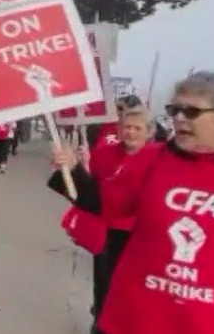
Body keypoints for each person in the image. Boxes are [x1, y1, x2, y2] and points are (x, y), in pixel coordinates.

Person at [48, 71, 214, 334]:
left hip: (209, 323)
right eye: (175, 110)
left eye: (191, 111)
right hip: (132, 317)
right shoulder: (152, 159)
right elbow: (105, 203)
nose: (179, 118)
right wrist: (70, 171)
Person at [63, 105, 156, 333]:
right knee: (104, 281)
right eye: (126, 127)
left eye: (137, 128)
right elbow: (89, 192)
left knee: (133, 287)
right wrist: (72, 168)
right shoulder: (105, 153)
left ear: (149, 132)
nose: (130, 132)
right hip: (108, 230)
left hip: (141, 235)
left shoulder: (159, 159)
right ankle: (101, 321)